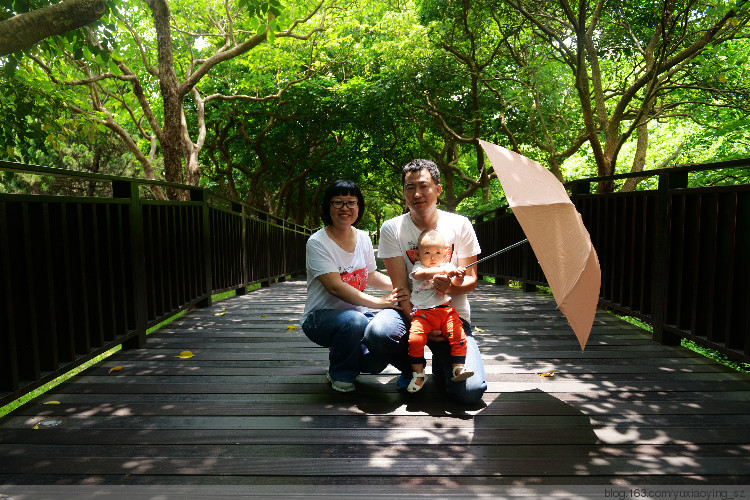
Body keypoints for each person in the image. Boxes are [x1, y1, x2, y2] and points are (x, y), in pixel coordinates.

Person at [362, 159, 487, 405]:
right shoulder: (392, 228)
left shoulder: (460, 224)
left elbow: (471, 281)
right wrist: (423, 321)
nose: (417, 194)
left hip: (453, 316)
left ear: (438, 190)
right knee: (379, 332)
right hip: (412, 312)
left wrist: (450, 287)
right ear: (404, 192)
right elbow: (401, 288)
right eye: (410, 187)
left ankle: (443, 368)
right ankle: (410, 368)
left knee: (470, 393)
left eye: (423, 186)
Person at [301, 179, 405, 393]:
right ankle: (340, 374)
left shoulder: (364, 238)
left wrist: (402, 286)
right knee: (353, 320)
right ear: (327, 206)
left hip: (357, 317)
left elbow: (372, 275)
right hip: (319, 319)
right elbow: (335, 287)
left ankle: (344, 352)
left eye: (351, 202)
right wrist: (378, 302)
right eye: (338, 202)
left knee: (375, 360)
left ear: (359, 207)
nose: (345, 208)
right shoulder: (317, 242)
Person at [406, 228, 474, 393]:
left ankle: (458, 367)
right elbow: (423, 275)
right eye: (427, 252)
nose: (432, 257)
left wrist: (458, 275)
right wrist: (444, 271)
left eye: (437, 252)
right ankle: (418, 373)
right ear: (417, 254)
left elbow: (458, 285)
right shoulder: (418, 268)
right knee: (415, 341)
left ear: (445, 253)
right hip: (422, 315)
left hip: (445, 313)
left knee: (458, 335)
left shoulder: (447, 266)